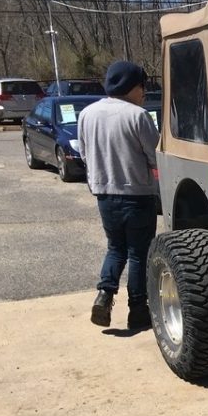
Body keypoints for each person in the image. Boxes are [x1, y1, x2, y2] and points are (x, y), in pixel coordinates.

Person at [78, 60, 160, 330]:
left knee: (116, 248)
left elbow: (83, 154)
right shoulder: (137, 116)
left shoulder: (87, 114)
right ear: (131, 87)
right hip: (136, 194)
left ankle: (105, 294)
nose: (143, 93)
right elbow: (155, 155)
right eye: (142, 87)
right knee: (138, 253)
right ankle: (138, 309)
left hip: (104, 194)